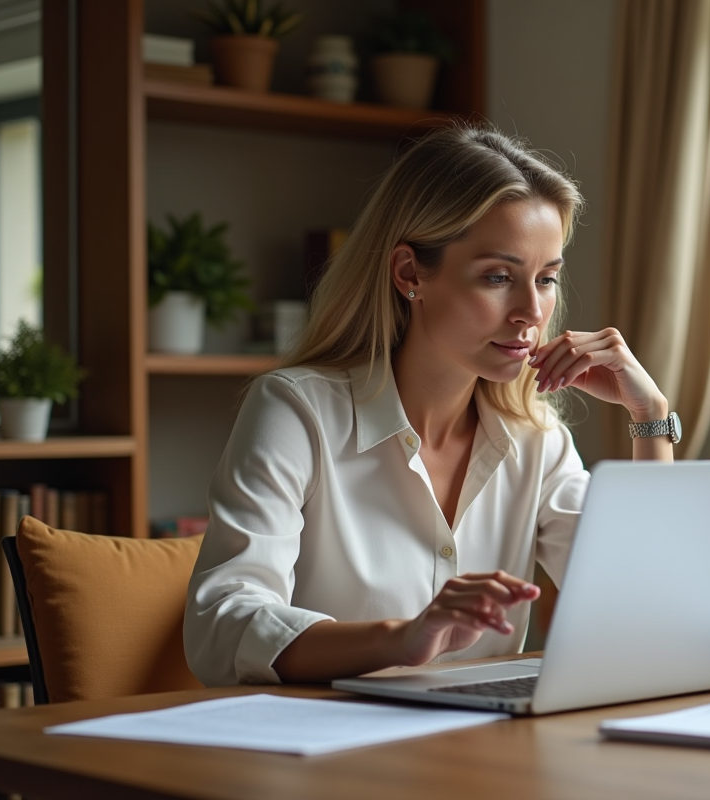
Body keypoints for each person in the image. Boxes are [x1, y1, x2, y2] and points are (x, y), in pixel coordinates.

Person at [184, 125, 679, 686]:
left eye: (545, 279)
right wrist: (403, 638)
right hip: (329, 753)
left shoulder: (536, 439)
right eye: (498, 277)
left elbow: (645, 607)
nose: (530, 312)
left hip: (481, 754)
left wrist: (650, 419)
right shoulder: (298, 411)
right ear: (409, 272)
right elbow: (223, 625)